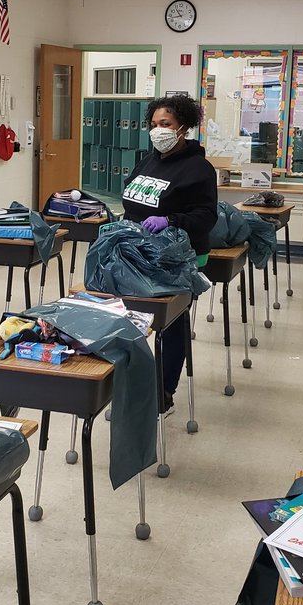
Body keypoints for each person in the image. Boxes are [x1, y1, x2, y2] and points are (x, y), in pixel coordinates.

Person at [121, 94, 218, 410]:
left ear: (183, 127)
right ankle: (131, 384)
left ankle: (164, 391)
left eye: (165, 124)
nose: (158, 131)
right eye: (154, 124)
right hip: (140, 253)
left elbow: (206, 216)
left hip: (179, 258)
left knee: (171, 322)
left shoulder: (199, 169)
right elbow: (132, 200)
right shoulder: (148, 161)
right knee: (129, 316)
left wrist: (170, 220)